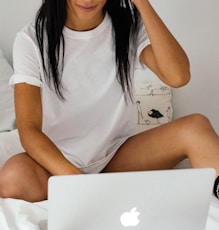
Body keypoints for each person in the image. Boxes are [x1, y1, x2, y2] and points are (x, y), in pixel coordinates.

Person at [0, 0, 219, 202]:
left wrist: (142, 4)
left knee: (196, 128)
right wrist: (80, 183)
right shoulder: (32, 39)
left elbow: (178, 76)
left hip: (115, 156)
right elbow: (29, 130)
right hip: (57, 163)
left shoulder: (127, 23)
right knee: (13, 177)